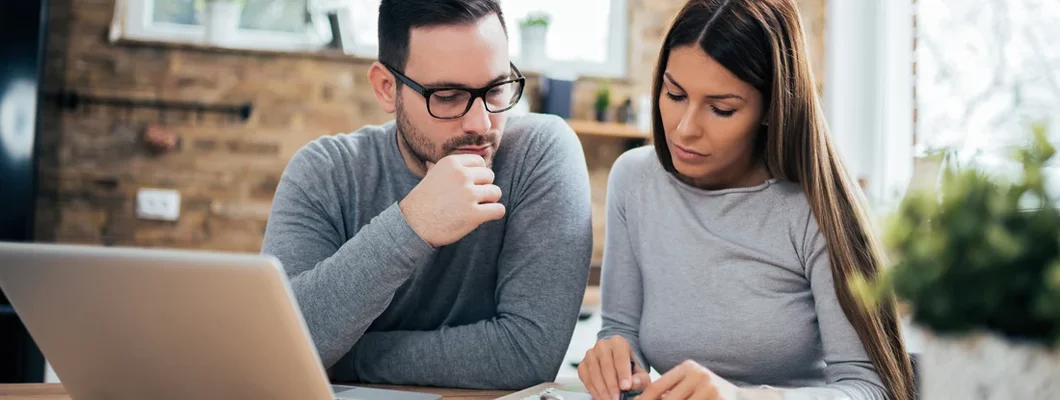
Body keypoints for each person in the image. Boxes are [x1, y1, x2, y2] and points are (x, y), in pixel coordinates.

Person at [577, 0, 916, 399]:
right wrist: (616, 362)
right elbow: (622, 331)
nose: (685, 130)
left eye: (721, 109)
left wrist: (743, 398)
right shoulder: (634, 181)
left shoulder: (817, 209)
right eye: (674, 94)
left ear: (772, 108)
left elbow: (873, 388)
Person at [261, 0, 593, 390]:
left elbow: (526, 354)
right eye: (448, 96)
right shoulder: (326, 172)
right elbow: (279, 347)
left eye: (498, 88)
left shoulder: (539, 154)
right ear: (387, 88)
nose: (481, 124)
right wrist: (412, 224)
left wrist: (348, 357)